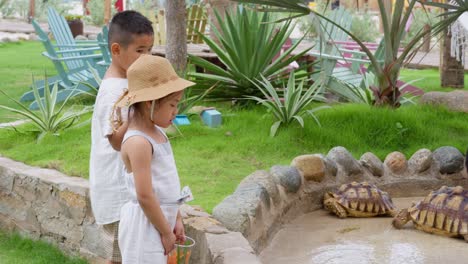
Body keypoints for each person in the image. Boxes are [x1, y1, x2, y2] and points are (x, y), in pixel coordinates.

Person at [113, 54, 195, 263]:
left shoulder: (157, 133)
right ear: (150, 102)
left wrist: (175, 218)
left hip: (160, 221)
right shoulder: (138, 142)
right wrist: (166, 232)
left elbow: (165, 184)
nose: (176, 112)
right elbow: (145, 195)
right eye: (172, 105)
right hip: (144, 227)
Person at [89, 10, 154, 264]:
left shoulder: (126, 81)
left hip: (122, 192)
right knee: (122, 258)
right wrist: (139, 111)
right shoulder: (114, 92)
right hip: (117, 197)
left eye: (150, 50)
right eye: (140, 51)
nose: (146, 57)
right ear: (117, 50)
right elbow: (116, 141)